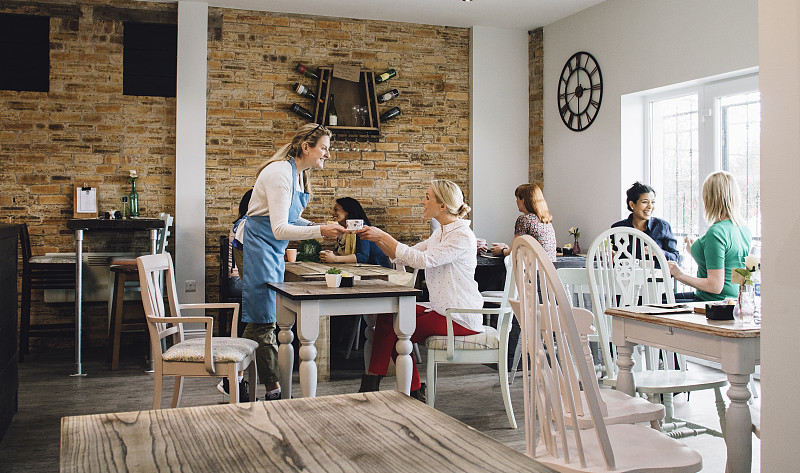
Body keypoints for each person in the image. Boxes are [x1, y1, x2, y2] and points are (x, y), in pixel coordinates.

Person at [241, 123, 347, 401]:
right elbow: (279, 228)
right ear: (306, 147)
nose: (327, 154)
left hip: (272, 247)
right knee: (265, 318)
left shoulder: (299, 175)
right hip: (258, 245)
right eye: (324, 148)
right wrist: (321, 230)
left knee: (261, 317)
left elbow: (289, 220)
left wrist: (316, 224)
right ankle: (273, 388)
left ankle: (233, 378)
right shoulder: (279, 174)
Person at [355, 179, 484, 401]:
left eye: (427, 197)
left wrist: (383, 236)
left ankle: (377, 384)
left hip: (459, 315)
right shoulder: (441, 233)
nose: (422, 201)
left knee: (398, 330)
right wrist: (376, 238)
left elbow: (422, 260)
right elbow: (404, 254)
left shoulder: (461, 236)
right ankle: (403, 388)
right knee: (387, 316)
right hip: (440, 310)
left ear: (442, 206)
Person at [668, 171, 752, 302]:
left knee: (650, 303)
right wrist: (693, 250)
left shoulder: (716, 232)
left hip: (714, 301)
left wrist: (679, 274)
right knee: (660, 300)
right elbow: (729, 267)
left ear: (709, 198)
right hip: (732, 301)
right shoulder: (743, 229)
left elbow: (715, 286)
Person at [217, 190, 252, 401]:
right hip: (238, 281)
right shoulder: (247, 225)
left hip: (240, 279)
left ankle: (235, 377)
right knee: (270, 303)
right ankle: (233, 375)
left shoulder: (243, 222)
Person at [611, 181, 680, 262]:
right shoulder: (618, 228)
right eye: (645, 202)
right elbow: (610, 257)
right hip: (627, 274)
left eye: (653, 202)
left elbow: (676, 258)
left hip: (657, 274)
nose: (650, 206)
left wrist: (660, 253)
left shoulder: (662, 226)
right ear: (632, 204)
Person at [319, 197, 392, 268]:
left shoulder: (360, 228)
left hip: (378, 271)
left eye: (336, 210)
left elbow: (363, 257)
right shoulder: (343, 230)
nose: (333, 213)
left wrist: (335, 259)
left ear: (348, 211)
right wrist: (330, 255)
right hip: (359, 270)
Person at [491, 183, 556, 262]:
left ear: (523, 200)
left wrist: (501, 251)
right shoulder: (546, 221)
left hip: (533, 271)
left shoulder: (524, 220)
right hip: (549, 271)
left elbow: (514, 250)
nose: (516, 201)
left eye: (517, 198)